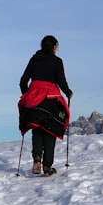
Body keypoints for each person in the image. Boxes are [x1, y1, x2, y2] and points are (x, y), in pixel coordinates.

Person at [19, 35, 73, 176]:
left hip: (34, 97)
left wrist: (27, 96)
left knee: (37, 129)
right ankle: (47, 167)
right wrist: (68, 92)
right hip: (51, 98)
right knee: (50, 130)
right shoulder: (57, 61)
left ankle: (37, 158)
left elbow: (23, 81)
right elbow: (61, 81)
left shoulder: (34, 60)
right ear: (54, 47)